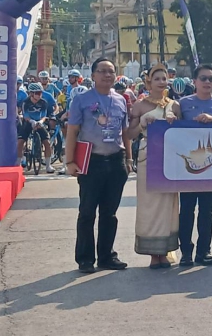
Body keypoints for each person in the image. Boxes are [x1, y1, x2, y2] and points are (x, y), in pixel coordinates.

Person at [65, 58, 133, 273]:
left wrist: (129, 159)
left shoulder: (121, 100)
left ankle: (106, 256)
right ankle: (85, 259)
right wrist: (69, 161)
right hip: (91, 162)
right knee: (87, 212)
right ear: (93, 75)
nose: (107, 75)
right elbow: (73, 131)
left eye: (111, 71)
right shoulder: (81, 100)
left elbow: (125, 133)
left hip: (116, 161)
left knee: (109, 213)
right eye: (102, 71)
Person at [178, 64, 212, 267]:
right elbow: (173, 129)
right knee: (186, 210)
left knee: (206, 211)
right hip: (187, 166)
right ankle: (185, 252)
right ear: (194, 81)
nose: (208, 82)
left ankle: (204, 251)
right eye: (203, 78)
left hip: (211, 164)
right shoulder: (183, 103)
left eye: (211, 79)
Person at [126, 64, 181, 268]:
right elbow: (129, 134)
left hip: (170, 157)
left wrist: (175, 122)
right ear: (149, 81)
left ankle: (165, 250)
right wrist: (142, 123)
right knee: (148, 204)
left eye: (164, 78)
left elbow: (184, 134)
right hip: (148, 156)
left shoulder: (175, 106)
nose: (161, 82)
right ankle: (152, 253)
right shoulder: (140, 105)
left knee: (168, 204)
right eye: (156, 78)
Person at [17, 83, 54, 173]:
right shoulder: (25, 102)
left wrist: (40, 122)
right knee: (20, 142)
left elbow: (44, 115)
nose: (40, 95)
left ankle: (48, 165)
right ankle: (18, 164)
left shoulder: (43, 102)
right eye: (37, 93)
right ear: (31, 93)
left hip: (39, 122)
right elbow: (25, 115)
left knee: (47, 142)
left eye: (40, 93)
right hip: (28, 122)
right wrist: (31, 121)